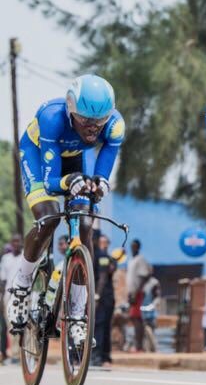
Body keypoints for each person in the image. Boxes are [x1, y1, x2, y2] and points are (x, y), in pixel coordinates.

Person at [6, 75, 124, 351]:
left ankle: (78, 312)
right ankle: (21, 286)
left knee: (86, 225)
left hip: (73, 159)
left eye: (100, 121)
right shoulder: (51, 118)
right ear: (71, 111)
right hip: (39, 155)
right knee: (49, 215)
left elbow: (103, 170)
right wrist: (69, 182)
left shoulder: (115, 126)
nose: (93, 127)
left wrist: (100, 184)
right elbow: (50, 182)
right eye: (84, 120)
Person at [91, 234, 115, 368]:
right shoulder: (95, 254)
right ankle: (102, 356)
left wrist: (97, 296)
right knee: (100, 327)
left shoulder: (103, 256)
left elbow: (103, 277)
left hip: (103, 298)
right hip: (102, 298)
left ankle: (97, 356)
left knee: (99, 326)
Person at [126, 239, 153, 352]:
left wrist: (136, 292)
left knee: (137, 318)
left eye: (135, 246)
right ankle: (138, 345)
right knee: (134, 317)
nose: (133, 248)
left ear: (138, 247)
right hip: (132, 292)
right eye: (131, 246)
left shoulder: (140, 259)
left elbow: (145, 275)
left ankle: (139, 346)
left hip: (138, 292)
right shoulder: (131, 260)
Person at [0, 234, 23, 361]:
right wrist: (2, 299)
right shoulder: (5, 258)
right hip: (9, 296)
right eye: (14, 241)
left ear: (22, 243)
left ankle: (24, 354)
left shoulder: (26, 256)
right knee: (11, 326)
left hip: (24, 296)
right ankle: (15, 355)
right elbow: (2, 281)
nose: (16, 244)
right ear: (11, 243)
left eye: (18, 241)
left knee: (24, 324)